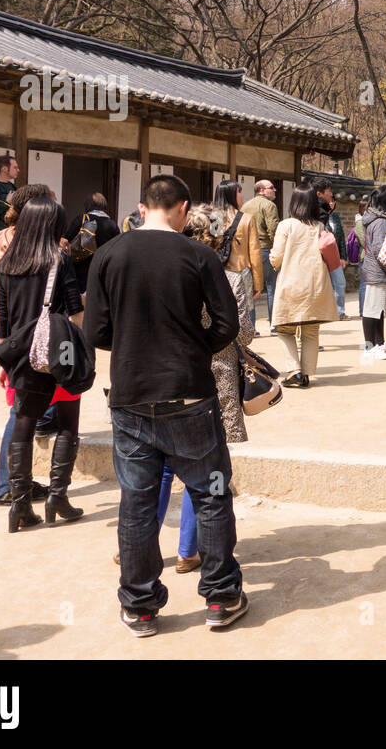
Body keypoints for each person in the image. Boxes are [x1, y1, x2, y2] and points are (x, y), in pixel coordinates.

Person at [85, 174, 246, 637]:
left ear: (142, 206)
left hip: (130, 394)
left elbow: (95, 332)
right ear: (183, 208)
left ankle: (139, 606)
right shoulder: (198, 255)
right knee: (211, 496)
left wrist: (134, 344)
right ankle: (220, 597)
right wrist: (193, 348)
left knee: (136, 503)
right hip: (189, 392)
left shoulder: (108, 254)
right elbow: (226, 323)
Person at [149, 202, 257, 573]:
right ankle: (188, 550)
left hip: (168, 376)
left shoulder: (162, 273)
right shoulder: (229, 278)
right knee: (207, 467)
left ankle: (142, 543)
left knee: (162, 467)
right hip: (218, 377)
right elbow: (243, 333)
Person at [0, 196, 85, 532]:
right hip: (57, 351)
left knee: (23, 421)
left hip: (20, 353)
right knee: (66, 422)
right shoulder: (59, 259)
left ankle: (19, 504)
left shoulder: (6, 262)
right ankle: (57, 496)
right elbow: (74, 311)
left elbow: (4, 323)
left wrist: (5, 362)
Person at [0, 184, 55, 505]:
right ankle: (9, 485)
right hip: (29, 338)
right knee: (22, 412)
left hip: (7, 335)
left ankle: (17, 481)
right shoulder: (38, 246)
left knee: (24, 411)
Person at [271, 184, 340, 388]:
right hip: (316, 285)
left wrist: (275, 263)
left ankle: (295, 371)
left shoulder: (286, 225)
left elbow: (276, 258)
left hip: (291, 284)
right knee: (311, 331)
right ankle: (307, 373)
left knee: (284, 329)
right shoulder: (319, 226)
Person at [213, 179, 264, 327]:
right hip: (241, 273)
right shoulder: (247, 219)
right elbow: (254, 253)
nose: (241, 195)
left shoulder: (215, 218)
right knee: (245, 314)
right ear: (231, 195)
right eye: (239, 192)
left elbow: (213, 247)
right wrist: (258, 283)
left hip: (220, 273)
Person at [359, 185, 386, 360]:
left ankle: (379, 343)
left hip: (377, 270)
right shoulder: (381, 221)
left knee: (378, 310)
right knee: (372, 310)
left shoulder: (379, 219)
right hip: (378, 271)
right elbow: (380, 249)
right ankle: (370, 346)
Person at [63, 193, 120, 298]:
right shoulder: (112, 224)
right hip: (102, 268)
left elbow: (64, 240)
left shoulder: (82, 219)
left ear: (87, 205)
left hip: (80, 267)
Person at [239, 179, 280, 328]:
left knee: (249, 290)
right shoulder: (269, 205)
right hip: (265, 248)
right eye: (271, 188)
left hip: (248, 251)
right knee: (271, 287)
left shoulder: (245, 206)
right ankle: (274, 324)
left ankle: (251, 326)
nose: (275, 190)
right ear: (261, 190)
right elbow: (273, 230)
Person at [312, 177, 348, 319]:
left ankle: (339, 311)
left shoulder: (334, 216)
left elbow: (340, 238)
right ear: (319, 194)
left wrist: (342, 256)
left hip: (334, 254)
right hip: (320, 254)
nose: (331, 194)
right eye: (328, 191)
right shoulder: (318, 213)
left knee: (340, 283)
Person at [352, 194, 371, 316]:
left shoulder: (366, 222)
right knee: (364, 285)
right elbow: (364, 241)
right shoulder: (360, 223)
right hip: (364, 257)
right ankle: (362, 311)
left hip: (368, 256)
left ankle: (367, 310)